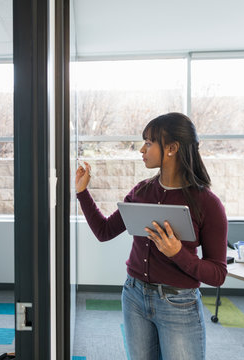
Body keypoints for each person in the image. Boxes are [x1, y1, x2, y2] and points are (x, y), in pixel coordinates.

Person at [75, 112, 227, 360]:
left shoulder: (207, 203)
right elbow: (104, 232)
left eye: (148, 142)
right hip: (134, 296)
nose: (141, 149)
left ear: (172, 148)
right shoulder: (142, 191)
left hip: (179, 305)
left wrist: (177, 254)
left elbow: (218, 274)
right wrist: (82, 192)